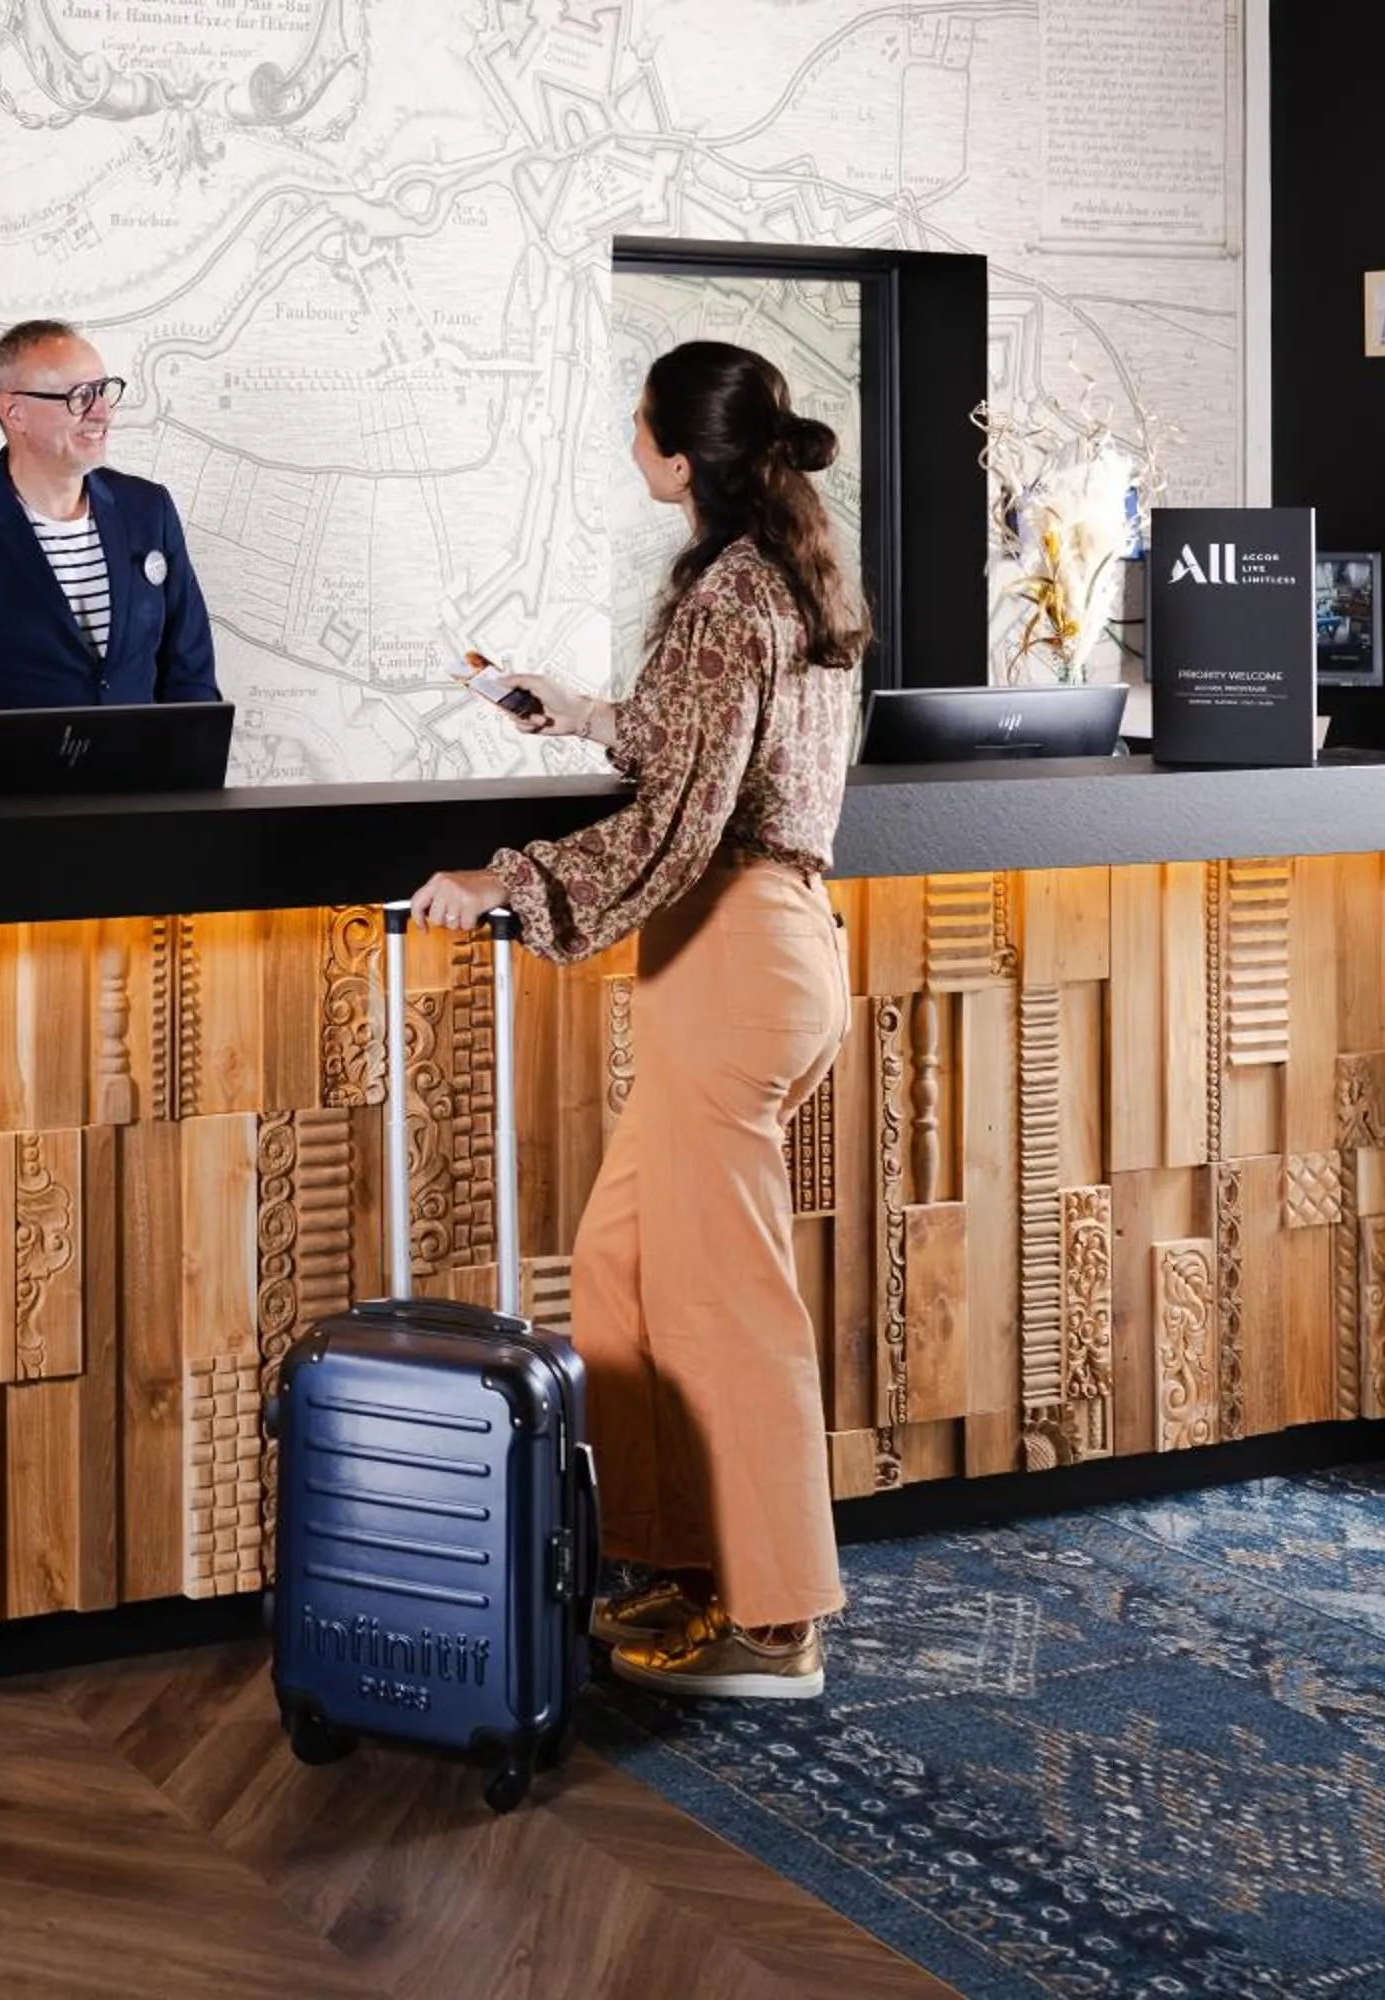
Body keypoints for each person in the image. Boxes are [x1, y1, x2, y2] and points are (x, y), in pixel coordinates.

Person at [408, 341, 868, 1702]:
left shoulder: (733, 590)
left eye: (640, 421)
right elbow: (702, 752)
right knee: (619, 1271)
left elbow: (683, 821)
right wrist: (590, 714)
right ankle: (679, 1563)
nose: (629, 436)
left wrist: (516, 878)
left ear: (678, 454)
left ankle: (779, 1620)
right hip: (749, 956)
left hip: (735, 956)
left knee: (726, 1303)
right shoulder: (788, 571)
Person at [0, 319, 219, 716]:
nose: (102, 411)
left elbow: (190, 673)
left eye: (105, 390)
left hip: (141, 778)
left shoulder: (148, 510)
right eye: (80, 396)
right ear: (14, 412)